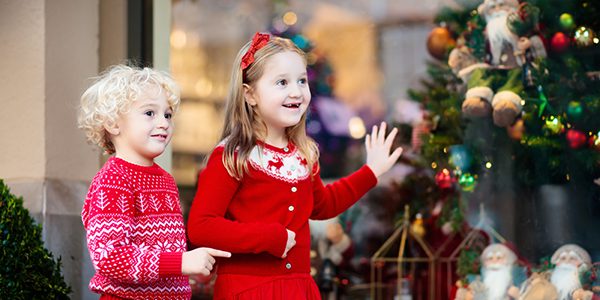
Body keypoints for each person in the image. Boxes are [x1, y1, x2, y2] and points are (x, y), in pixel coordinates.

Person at [186, 32, 403, 299]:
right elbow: (201, 227)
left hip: (298, 289)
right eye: (282, 82)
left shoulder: (303, 154)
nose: (296, 91)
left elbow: (323, 205)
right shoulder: (232, 155)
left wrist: (371, 172)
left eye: (302, 81)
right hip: (249, 290)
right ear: (249, 94)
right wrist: (270, 238)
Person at [78, 65, 231, 299]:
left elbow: (166, 251)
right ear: (113, 123)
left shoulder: (165, 180)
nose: (163, 123)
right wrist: (181, 262)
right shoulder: (113, 181)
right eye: (150, 113)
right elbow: (110, 258)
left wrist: (195, 263)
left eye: (167, 115)